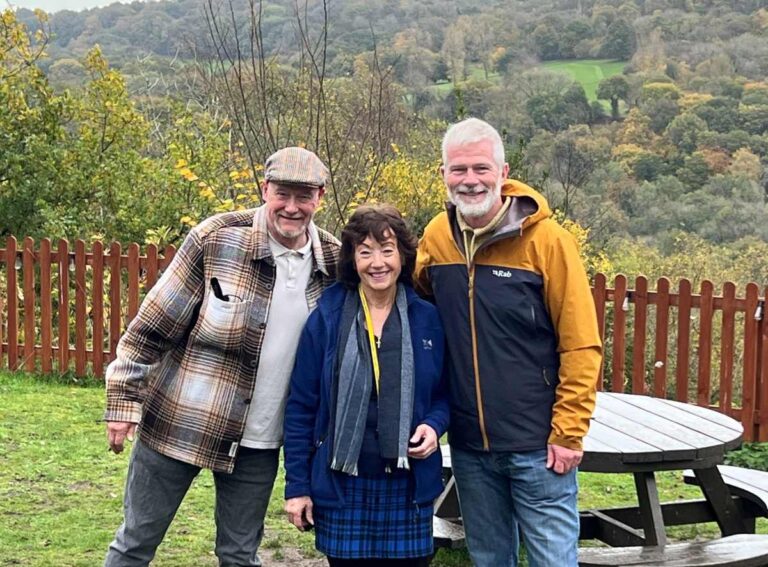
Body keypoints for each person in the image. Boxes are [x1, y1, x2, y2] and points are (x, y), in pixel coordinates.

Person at [103, 147, 340, 567]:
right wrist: (123, 401)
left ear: (320, 197)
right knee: (135, 543)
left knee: (239, 555)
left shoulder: (335, 262)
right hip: (180, 421)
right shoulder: (216, 238)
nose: (291, 207)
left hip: (260, 440)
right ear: (265, 189)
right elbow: (151, 326)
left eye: (304, 196)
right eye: (282, 194)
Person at [414, 118, 602, 567]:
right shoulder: (437, 238)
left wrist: (569, 432)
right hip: (470, 447)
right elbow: (417, 311)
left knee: (552, 561)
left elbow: (581, 344)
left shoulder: (548, 242)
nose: (470, 180)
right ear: (443, 174)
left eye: (481, 168)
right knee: (489, 558)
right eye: (458, 170)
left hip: (539, 444)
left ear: (503, 171)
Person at [283, 204, 449, 567]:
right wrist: (297, 487)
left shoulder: (428, 319)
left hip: (408, 485)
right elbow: (301, 406)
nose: (378, 263)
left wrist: (434, 426)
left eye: (387, 250)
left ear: (403, 256)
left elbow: (445, 394)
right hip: (343, 483)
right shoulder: (327, 316)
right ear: (352, 258)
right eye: (365, 251)